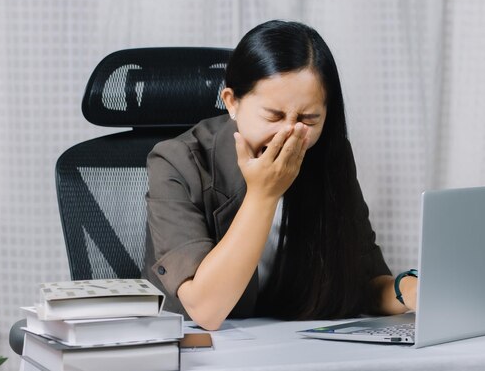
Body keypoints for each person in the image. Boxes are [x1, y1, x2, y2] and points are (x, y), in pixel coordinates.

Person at [144, 20, 417, 330]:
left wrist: (410, 289)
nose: (288, 134)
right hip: (196, 348)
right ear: (232, 102)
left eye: (308, 119)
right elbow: (206, 310)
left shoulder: (328, 155)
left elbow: (363, 283)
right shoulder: (176, 161)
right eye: (273, 116)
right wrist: (264, 193)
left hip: (290, 344)